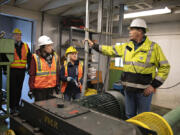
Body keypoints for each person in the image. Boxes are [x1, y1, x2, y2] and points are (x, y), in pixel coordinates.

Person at [87, 18, 170, 118]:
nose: (129, 32)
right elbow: (110, 50)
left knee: (143, 117)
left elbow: (165, 67)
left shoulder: (153, 48)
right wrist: (94, 46)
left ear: (139, 31)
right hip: (128, 91)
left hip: (144, 93)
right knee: (129, 115)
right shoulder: (126, 47)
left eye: (131, 29)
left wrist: (153, 86)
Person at [28, 35, 60, 101]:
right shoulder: (35, 57)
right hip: (39, 90)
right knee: (40, 110)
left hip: (51, 88)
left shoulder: (55, 57)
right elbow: (32, 75)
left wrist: (57, 85)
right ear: (43, 47)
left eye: (51, 45)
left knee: (50, 108)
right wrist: (31, 89)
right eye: (48, 45)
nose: (51, 47)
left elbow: (57, 73)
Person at [10, 28, 32, 113]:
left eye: (19, 35)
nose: (18, 36)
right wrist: (5, 69)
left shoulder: (25, 46)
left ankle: (17, 105)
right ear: (13, 36)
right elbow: (4, 56)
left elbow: (29, 58)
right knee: (12, 89)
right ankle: (12, 107)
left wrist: (29, 67)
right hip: (12, 70)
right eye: (16, 34)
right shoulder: (9, 45)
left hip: (21, 71)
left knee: (19, 89)